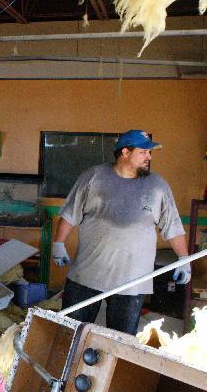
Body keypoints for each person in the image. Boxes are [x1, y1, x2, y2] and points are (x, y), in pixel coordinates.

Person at [51, 130, 191, 334]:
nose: (149, 157)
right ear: (125, 152)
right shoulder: (94, 177)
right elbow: (70, 214)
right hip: (87, 275)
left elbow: (173, 227)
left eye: (150, 153)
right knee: (70, 335)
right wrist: (58, 244)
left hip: (132, 282)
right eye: (144, 152)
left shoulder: (157, 186)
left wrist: (183, 259)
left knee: (121, 344)